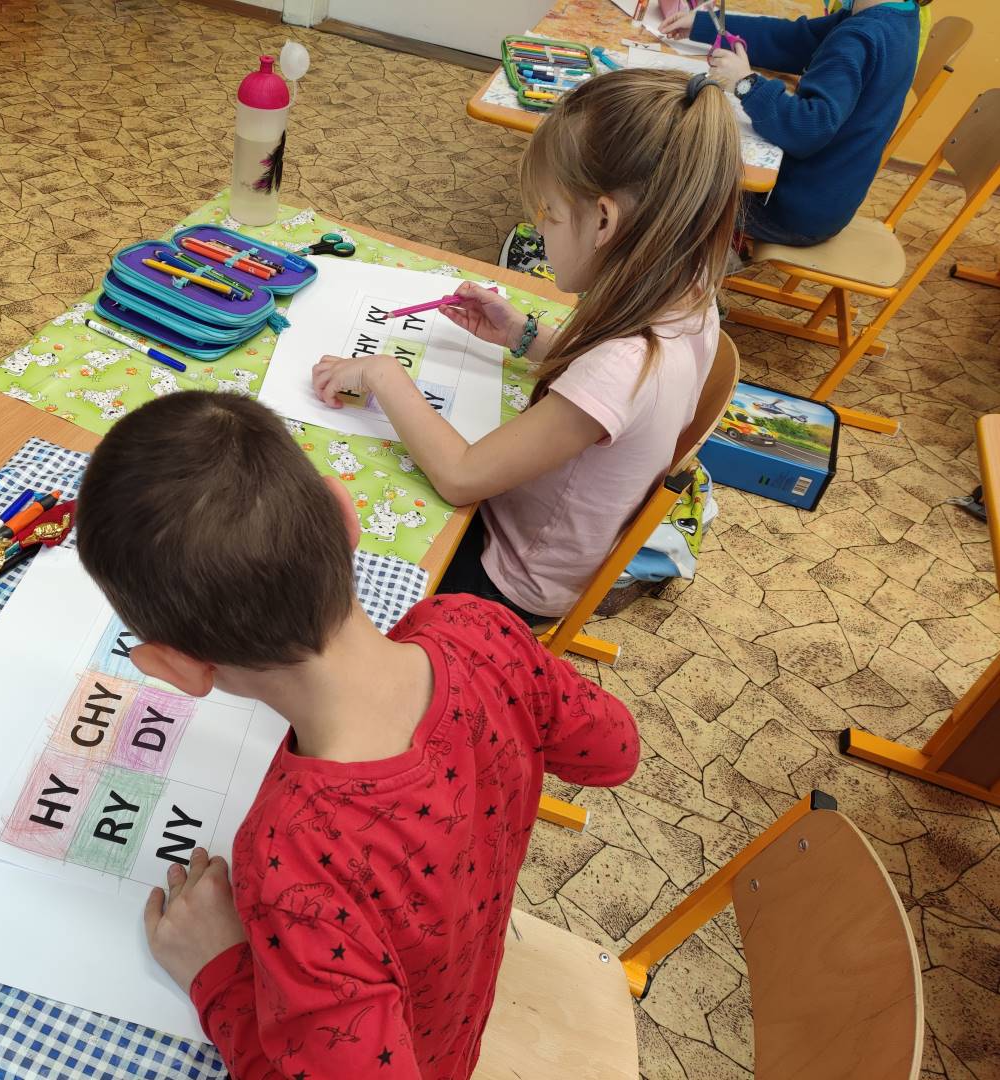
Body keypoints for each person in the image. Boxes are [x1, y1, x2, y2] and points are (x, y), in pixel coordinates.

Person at [75, 391, 638, 1079]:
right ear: (346, 517)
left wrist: (217, 974)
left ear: (176, 668)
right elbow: (613, 751)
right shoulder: (477, 628)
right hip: (465, 993)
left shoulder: (292, 859)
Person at [312, 69, 740, 626]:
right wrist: (526, 336)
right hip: (535, 537)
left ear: (604, 221)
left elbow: (460, 476)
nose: (538, 233)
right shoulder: (689, 291)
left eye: (549, 215)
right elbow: (612, 393)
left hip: (505, 583)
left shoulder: (624, 363)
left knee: (325, 528)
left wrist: (382, 374)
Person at [661, 0, 925, 247]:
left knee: (664, 175)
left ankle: (705, 261)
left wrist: (746, 83)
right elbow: (793, 41)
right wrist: (704, 24)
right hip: (822, 204)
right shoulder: (896, 18)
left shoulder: (859, 36)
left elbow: (807, 128)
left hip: (787, 211)